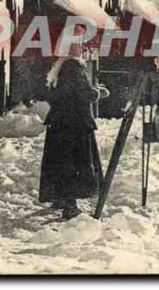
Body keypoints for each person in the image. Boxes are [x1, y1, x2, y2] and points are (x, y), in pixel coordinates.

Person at [39, 43, 108, 220]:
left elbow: (54, 95)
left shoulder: (59, 66)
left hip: (60, 122)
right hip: (75, 124)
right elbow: (84, 94)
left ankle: (61, 199)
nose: (85, 50)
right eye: (82, 46)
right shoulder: (74, 66)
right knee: (74, 163)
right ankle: (70, 206)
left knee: (60, 162)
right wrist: (99, 92)